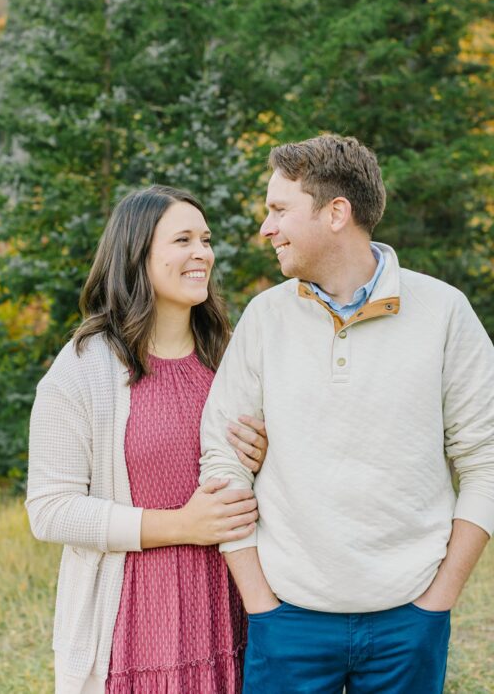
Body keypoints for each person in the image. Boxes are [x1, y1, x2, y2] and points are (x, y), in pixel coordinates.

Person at [200, 134, 494, 693]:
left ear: (337, 213)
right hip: (287, 622)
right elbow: (222, 458)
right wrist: (260, 603)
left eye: (279, 210)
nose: (267, 228)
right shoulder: (265, 319)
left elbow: (487, 460)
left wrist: (439, 600)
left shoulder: (445, 313)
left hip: (409, 621)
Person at [27, 185, 270, 694]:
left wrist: (267, 455)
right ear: (137, 253)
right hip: (134, 619)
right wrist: (182, 525)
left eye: (205, 239)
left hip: (233, 602)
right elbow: (50, 510)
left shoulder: (229, 357)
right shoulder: (82, 368)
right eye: (182, 240)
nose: (201, 252)